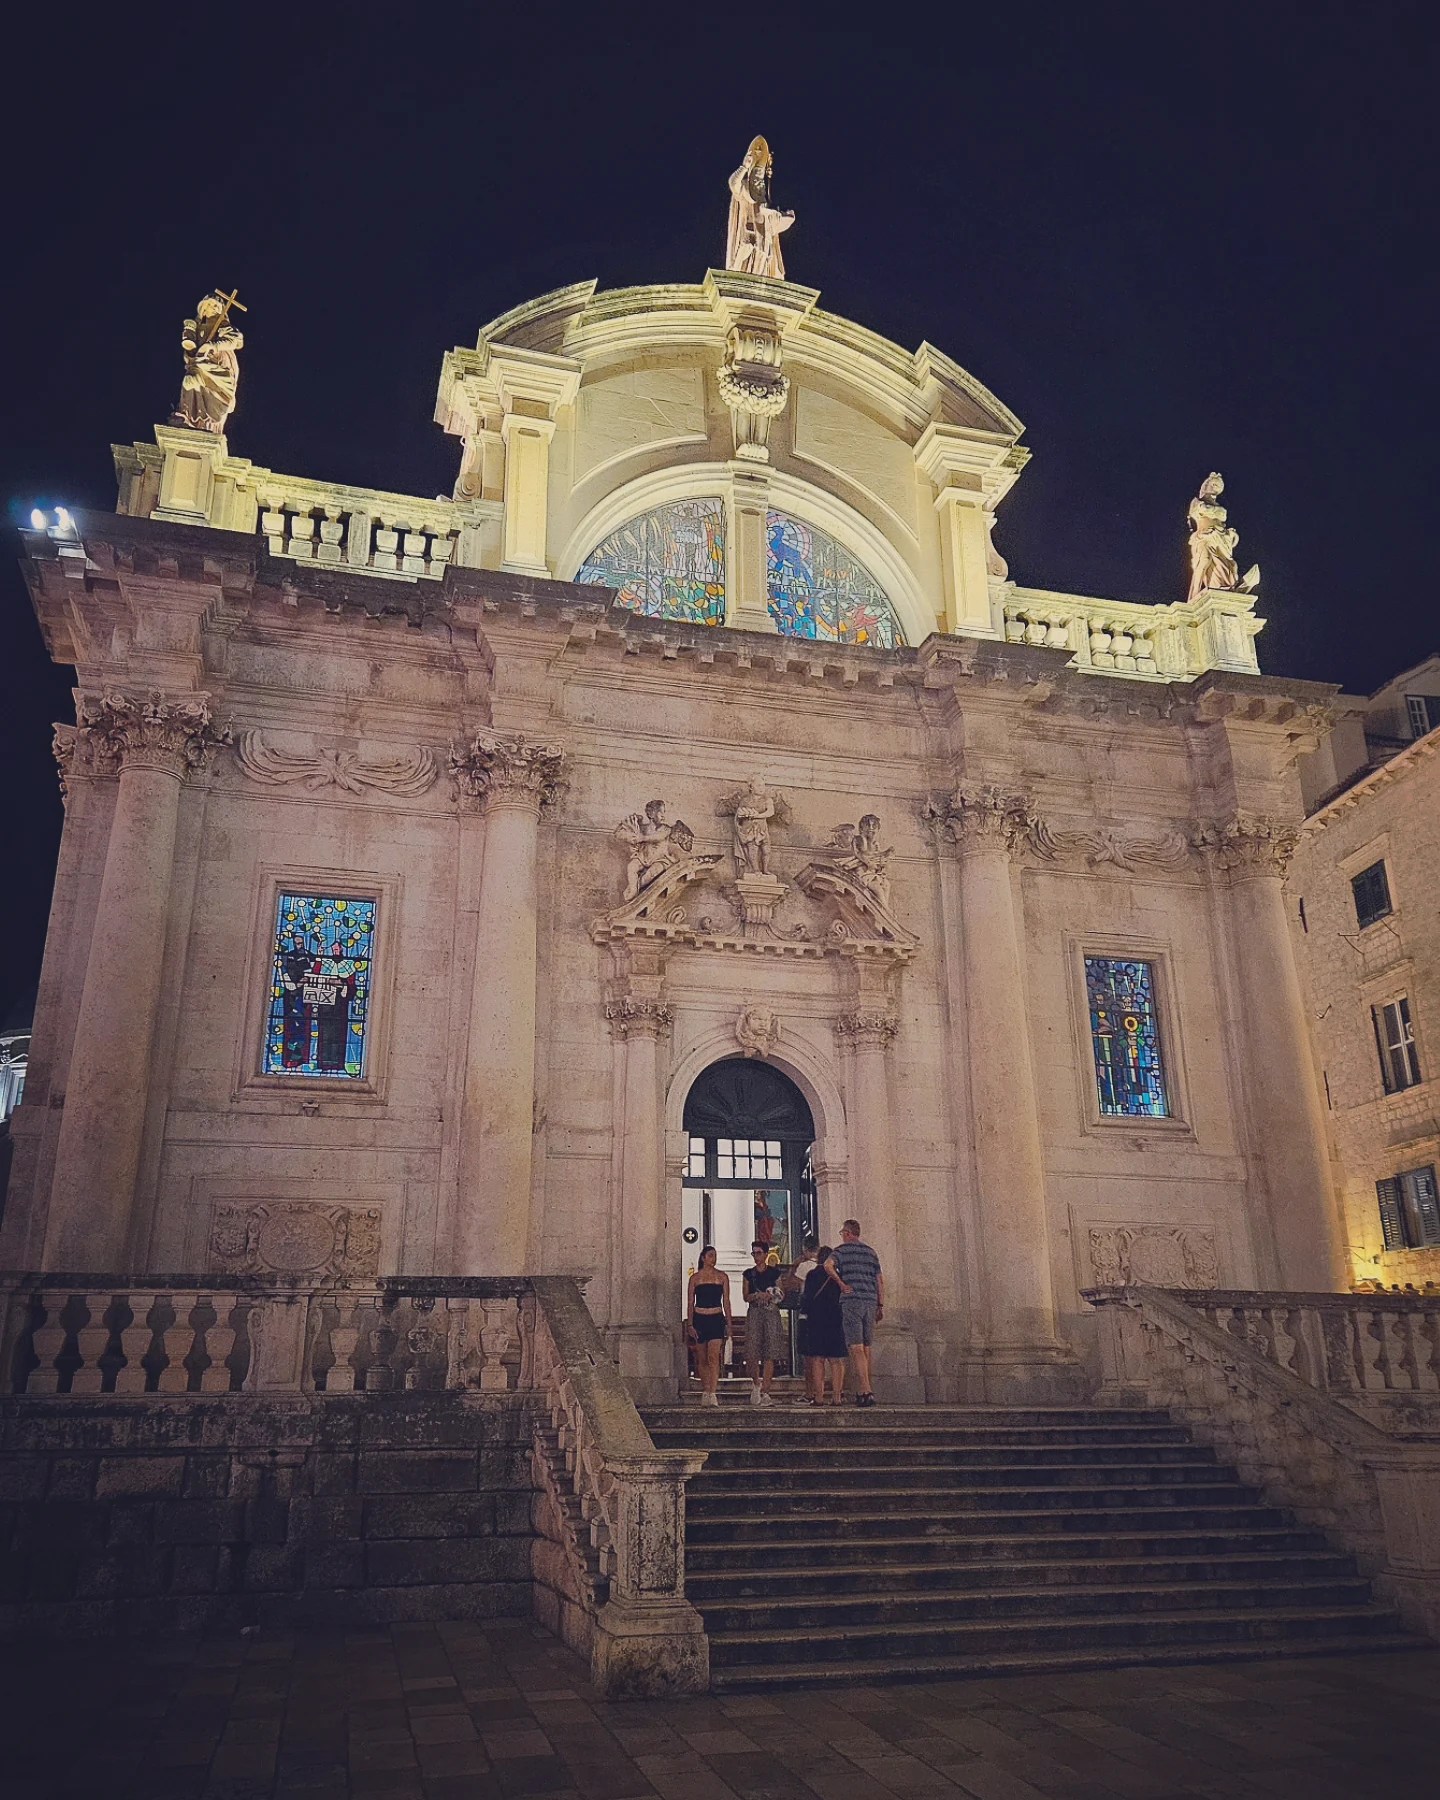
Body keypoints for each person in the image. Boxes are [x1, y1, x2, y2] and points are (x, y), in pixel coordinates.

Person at [825, 1219, 884, 1406]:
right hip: (870, 1301)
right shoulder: (871, 1252)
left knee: (856, 1347)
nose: (841, 1236)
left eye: (842, 1233)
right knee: (866, 1348)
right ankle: (866, 1390)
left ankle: (866, 1390)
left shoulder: (842, 1251)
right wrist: (880, 1304)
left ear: (848, 1233)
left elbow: (827, 1265)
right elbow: (879, 1280)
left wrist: (841, 1283)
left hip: (852, 1301)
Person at [802, 1245, 848, 1405]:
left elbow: (806, 1298)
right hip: (835, 1319)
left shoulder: (812, 1275)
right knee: (836, 1360)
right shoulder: (839, 1276)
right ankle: (836, 1397)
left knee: (818, 1359)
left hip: (816, 1320)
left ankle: (819, 1397)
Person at [686, 1247, 731, 1407]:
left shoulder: (722, 1277)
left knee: (713, 1356)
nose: (714, 1258)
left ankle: (712, 1392)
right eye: (711, 1256)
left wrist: (729, 1323)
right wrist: (690, 1323)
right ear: (703, 1258)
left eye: (715, 1256)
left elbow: (726, 1301)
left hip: (716, 1317)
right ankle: (705, 1389)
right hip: (700, 1318)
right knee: (702, 1357)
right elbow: (691, 1302)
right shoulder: (695, 1278)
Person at [742, 1239, 784, 1406]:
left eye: (759, 1253)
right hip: (755, 1311)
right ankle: (756, 1383)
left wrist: (771, 1294)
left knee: (770, 1352)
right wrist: (756, 1296)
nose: (756, 1256)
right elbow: (745, 1295)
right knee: (753, 1351)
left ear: (766, 1254)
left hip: (770, 1312)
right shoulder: (748, 1274)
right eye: (754, 1253)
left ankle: (766, 1390)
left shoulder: (774, 1273)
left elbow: (782, 1293)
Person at [787, 1234, 822, 1403]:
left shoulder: (805, 1266)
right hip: (823, 1315)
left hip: (807, 1315)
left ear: (805, 1249)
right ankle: (820, 1392)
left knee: (809, 1357)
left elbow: (790, 1284)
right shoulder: (825, 1266)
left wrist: (794, 1265)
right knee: (821, 1356)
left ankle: (810, 1392)